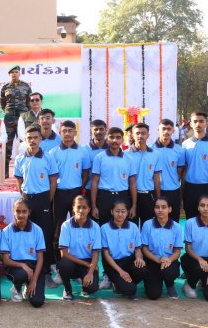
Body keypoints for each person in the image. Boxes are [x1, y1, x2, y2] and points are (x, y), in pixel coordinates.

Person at [90, 126, 138, 289]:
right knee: (106, 234)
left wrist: (133, 205)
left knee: (122, 233)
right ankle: (107, 274)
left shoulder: (129, 159)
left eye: (119, 137)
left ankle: (122, 270)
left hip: (123, 196)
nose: (115, 140)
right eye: (112, 137)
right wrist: (94, 204)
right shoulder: (100, 157)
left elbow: (132, 183)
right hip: (104, 197)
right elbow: (95, 182)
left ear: (122, 139)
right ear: (108, 138)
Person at [14, 125, 59, 288]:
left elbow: (53, 181)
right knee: (26, 235)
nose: (32, 141)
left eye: (35, 137)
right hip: (27, 199)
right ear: (25, 140)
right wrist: (23, 196)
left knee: (45, 236)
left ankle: (46, 273)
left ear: (40, 139)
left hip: (43, 200)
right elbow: (19, 179)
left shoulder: (48, 158)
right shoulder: (20, 158)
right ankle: (27, 271)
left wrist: (48, 200)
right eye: (29, 138)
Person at [48, 120, 91, 283]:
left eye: (70, 131)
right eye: (64, 131)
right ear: (60, 132)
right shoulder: (53, 153)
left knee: (78, 229)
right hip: (59, 194)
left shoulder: (83, 152)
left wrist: (79, 189)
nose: (67, 134)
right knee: (58, 231)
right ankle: (60, 268)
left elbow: (85, 173)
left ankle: (78, 269)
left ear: (75, 133)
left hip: (76, 193)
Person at [1, 198, 46, 307]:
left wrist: (34, 280)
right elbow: (6, 260)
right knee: (21, 274)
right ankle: (17, 288)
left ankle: (29, 283)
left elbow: (40, 258)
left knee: (37, 302)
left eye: (24, 211)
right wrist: (23, 265)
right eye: (18, 211)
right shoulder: (6, 231)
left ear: (29, 212)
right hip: (15, 266)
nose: (21, 215)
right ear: (13, 211)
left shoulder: (37, 230)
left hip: (34, 266)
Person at [181, 112, 208, 221]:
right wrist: (182, 193)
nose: (198, 124)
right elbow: (184, 170)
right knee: (191, 220)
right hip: (190, 188)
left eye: (201, 121)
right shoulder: (185, 144)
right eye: (195, 121)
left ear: (207, 124)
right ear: (191, 124)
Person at [56, 196, 101, 300]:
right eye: (78, 207)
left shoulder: (95, 227)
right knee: (63, 264)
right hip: (71, 261)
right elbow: (64, 254)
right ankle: (67, 289)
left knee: (92, 288)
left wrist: (90, 272)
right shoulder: (66, 225)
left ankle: (85, 286)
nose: (81, 210)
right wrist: (88, 265)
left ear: (89, 209)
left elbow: (95, 253)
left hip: (87, 262)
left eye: (84, 207)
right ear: (73, 208)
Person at [100, 199, 146, 299]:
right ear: (112, 212)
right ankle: (117, 282)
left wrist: (139, 258)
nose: (120, 214)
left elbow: (138, 249)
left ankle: (127, 282)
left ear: (127, 212)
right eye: (117, 211)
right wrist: (121, 271)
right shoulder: (104, 228)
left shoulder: (133, 227)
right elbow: (106, 255)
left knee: (143, 269)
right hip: (113, 264)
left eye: (123, 211)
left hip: (129, 261)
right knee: (130, 290)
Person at [181, 196, 208, 301]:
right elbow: (188, 248)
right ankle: (189, 284)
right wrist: (200, 259)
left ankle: (203, 280)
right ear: (198, 208)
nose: (205, 208)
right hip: (192, 259)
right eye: (202, 205)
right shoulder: (190, 223)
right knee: (199, 267)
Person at [140, 197, 183, 300]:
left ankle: (169, 284)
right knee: (153, 295)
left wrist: (168, 260)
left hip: (169, 262)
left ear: (170, 209)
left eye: (164, 207)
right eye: (157, 207)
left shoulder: (177, 227)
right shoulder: (147, 225)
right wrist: (158, 260)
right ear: (154, 209)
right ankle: (154, 280)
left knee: (169, 272)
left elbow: (177, 251)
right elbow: (144, 249)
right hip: (152, 260)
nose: (160, 210)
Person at [0, 66, 32, 177]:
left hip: (23, 118)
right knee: (7, 144)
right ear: (9, 75)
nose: (14, 74)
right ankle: (5, 171)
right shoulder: (5, 87)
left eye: (16, 72)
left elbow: (29, 102)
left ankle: (24, 169)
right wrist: (8, 111)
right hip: (9, 118)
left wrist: (25, 114)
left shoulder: (26, 86)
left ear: (19, 73)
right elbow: (2, 102)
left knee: (24, 142)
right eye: (12, 72)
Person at [128, 123, 162, 226]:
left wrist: (158, 197)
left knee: (148, 226)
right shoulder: (126, 154)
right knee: (131, 226)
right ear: (132, 135)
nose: (140, 136)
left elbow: (156, 178)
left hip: (149, 196)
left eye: (143, 133)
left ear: (148, 135)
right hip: (130, 196)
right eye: (137, 133)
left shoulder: (155, 154)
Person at [154, 119, 186, 222]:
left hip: (173, 191)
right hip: (154, 190)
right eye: (163, 129)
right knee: (155, 221)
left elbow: (180, 172)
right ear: (158, 130)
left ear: (173, 131)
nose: (166, 132)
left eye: (169, 129)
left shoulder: (180, 150)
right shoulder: (150, 149)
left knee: (173, 221)